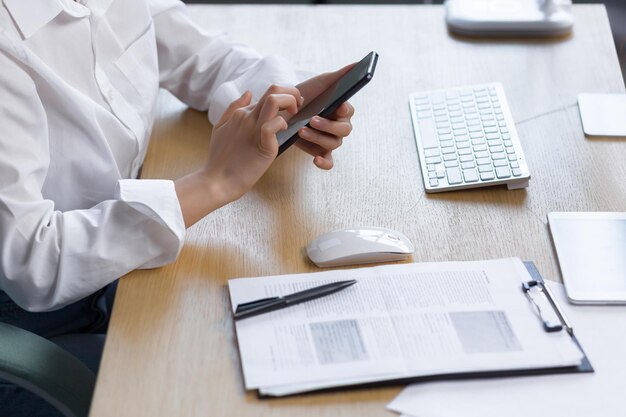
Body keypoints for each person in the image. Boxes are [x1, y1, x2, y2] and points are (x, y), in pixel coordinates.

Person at [0, 0, 355, 415]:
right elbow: (33, 261)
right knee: (224, 391)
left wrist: (278, 109)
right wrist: (213, 181)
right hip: (34, 322)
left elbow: (204, 57)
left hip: (116, 263)